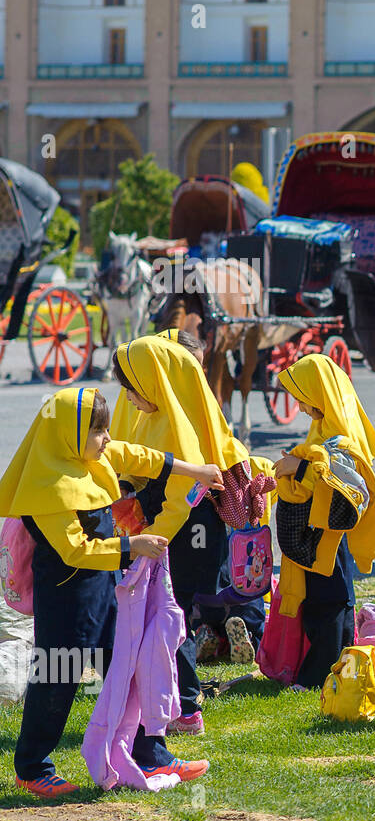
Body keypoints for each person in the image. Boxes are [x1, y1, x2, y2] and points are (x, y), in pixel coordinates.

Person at [1, 387, 218, 797]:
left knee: (130, 672)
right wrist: (132, 546)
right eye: (97, 430)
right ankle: (32, 766)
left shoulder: (93, 459)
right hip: (65, 603)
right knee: (55, 680)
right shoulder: (46, 485)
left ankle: (151, 755)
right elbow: (74, 550)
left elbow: (142, 457)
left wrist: (197, 471)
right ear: (66, 433)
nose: (107, 438)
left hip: (102, 593)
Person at [109, 337, 259, 735]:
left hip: (183, 534)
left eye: (131, 386)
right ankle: (175, 702)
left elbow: (180, 499)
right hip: (183, 533)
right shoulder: (166, 416)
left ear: (154, 380)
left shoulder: (173, 428)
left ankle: (187, 708)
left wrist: (148, 543)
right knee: (173, 617)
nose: (127, 396)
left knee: (172, 617)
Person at [273, 354, 375, 689]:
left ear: (319, 396)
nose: (301, 407)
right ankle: (345, 666)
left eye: (303, 399)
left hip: (329, 535)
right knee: (334, 600)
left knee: (328, 602)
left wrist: (300, 468)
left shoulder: (339, 433)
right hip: (322, 529)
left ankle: (315, 675)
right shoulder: (325, 427)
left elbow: (344, 488)